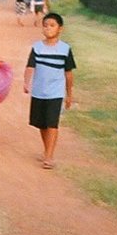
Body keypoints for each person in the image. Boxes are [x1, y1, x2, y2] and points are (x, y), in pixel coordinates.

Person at [23, 11, 75, 170]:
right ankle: (47, 150)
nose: (48, 29)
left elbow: (68, 74)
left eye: (52, 26)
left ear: (60, 29)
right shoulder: (37, 47)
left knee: (52, 123)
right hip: (39, 91)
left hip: (56, 92)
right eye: (45, 25)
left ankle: (49, 156)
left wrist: (69, 94)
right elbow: (30, 66)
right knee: (41, 124)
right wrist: (26, 82)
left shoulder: (65, 49)